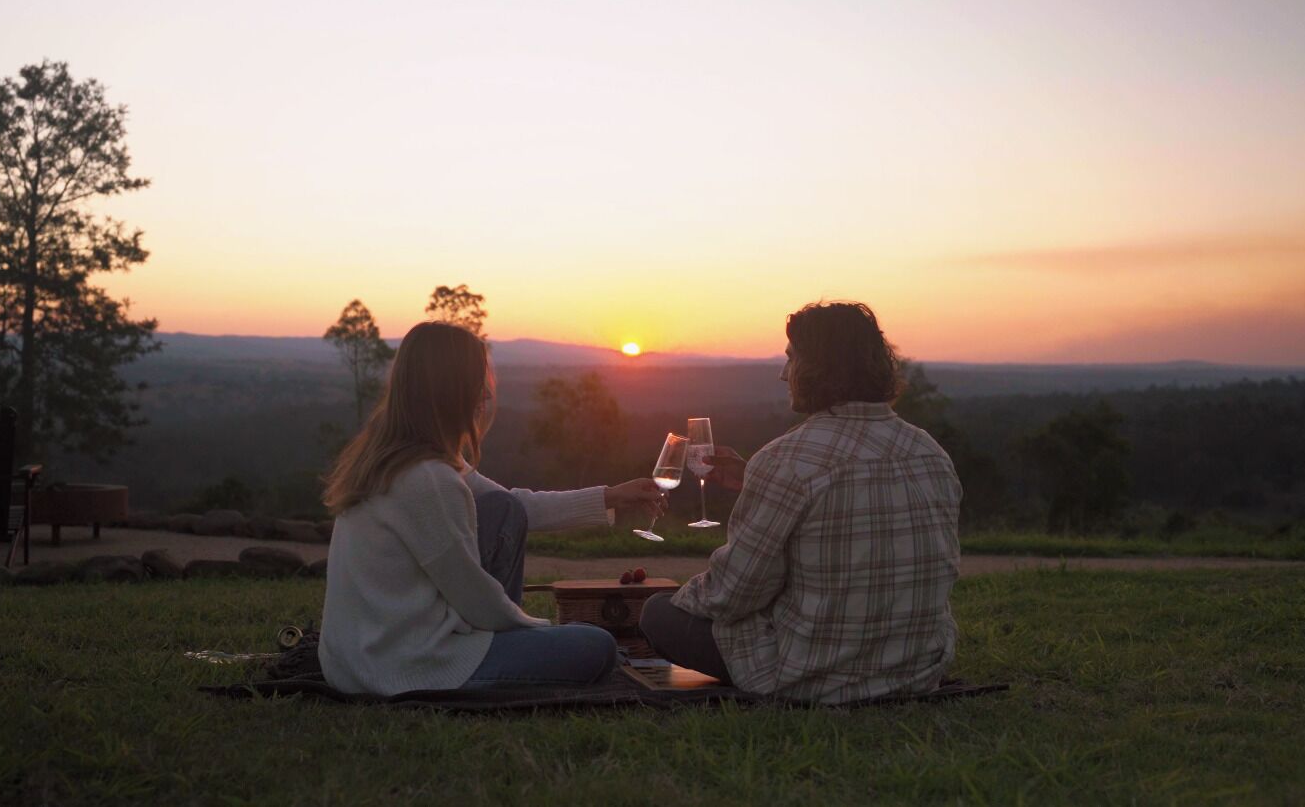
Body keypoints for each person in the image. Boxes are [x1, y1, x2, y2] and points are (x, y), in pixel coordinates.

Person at [640, 301, 961, 704]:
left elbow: (734, 593)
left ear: (817, 368)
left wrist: (679, 597)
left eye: (792, 360)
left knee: (656, 614)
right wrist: (755, 483)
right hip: (916, 669)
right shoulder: (929, 452)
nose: (783, 374)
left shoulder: (786, 459)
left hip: (812, 675)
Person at [319, 321, 662, 695]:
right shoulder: (428, 479)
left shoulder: (395, 459)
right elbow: (476, 600)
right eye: (478, 380)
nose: (485, 392)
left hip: (359, 659)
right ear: (454, 390)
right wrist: (538, 629)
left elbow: (516, 507)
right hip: (405, 665)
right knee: (596, 647)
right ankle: (499, 654)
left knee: (502, 510)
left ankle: (505, 648)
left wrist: (612, 496)